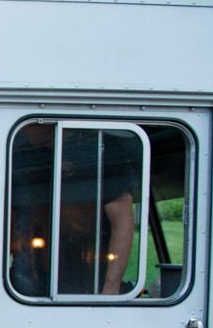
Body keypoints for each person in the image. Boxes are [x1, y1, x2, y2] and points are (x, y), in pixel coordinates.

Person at [9, 123, 138, 297]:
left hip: (88, 264)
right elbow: (10, 217)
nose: (25, 130)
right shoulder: (21, 155)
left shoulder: (99, 150)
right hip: (28, 274)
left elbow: (121, 217)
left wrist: (110, 290)